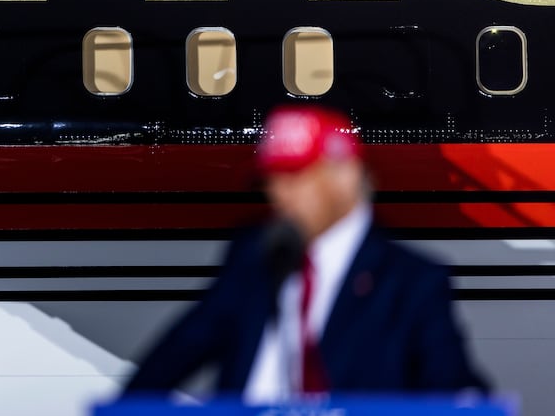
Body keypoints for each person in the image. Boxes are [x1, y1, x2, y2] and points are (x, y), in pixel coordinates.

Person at [122, 103, 489, 400]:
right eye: (272, 180)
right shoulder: (253, 255)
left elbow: (453, 388)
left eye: (297, 177)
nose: (280, 194)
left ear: (345, 177)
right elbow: (177, 353)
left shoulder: (411, 281)